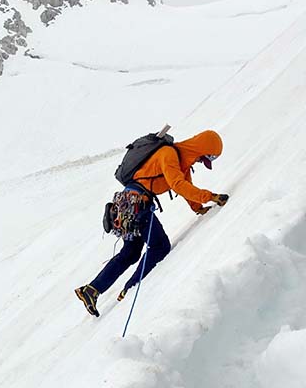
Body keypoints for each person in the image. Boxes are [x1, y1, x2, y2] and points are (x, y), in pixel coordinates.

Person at [75, 130, 229, 317]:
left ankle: (91, 290)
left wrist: (198, 207)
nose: (200, 162)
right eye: (202, 158)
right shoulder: (168, 154)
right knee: (160, 246)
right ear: (199, 149)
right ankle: (130, 289)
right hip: (137, 204)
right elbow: (177, 184)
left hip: (126, 205)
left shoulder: (182, 162)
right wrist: (210, 196)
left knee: (130, 252)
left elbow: (185, 184)